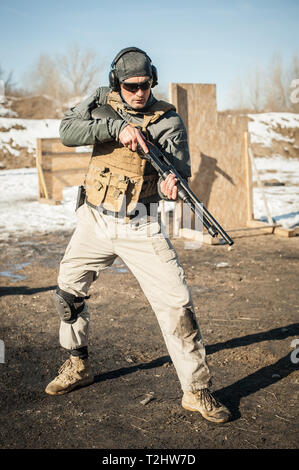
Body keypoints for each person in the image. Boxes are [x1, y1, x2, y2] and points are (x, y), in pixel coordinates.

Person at [45, 47, 231, 424]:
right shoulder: (102, 103)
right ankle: (77, 364)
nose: (138, 93)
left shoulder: (168, 122)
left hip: (140, 222)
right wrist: (116, 127)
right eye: (131, 86)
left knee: (177, 304)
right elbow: (67, 132)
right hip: (94, 219)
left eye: (145, 86)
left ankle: (196, 390)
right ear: (117, 83)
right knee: (68, 290)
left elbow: (177, 171)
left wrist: (170, 186)